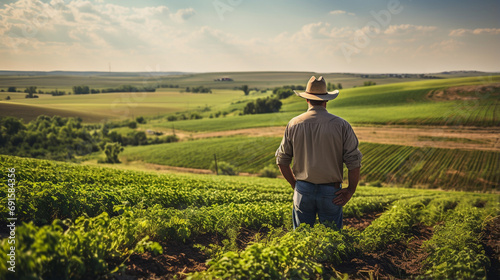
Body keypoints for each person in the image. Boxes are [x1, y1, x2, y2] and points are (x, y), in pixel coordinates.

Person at [275, 76, 362, 231]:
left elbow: (282, 160)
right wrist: (350, 190)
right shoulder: (341, 125)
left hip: (303, 189)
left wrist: (296, 185)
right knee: (330, 242)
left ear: (307, 100)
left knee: (301, 241)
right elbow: (354, 162)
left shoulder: (293, 124)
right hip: (331, 192)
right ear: (326, 100)